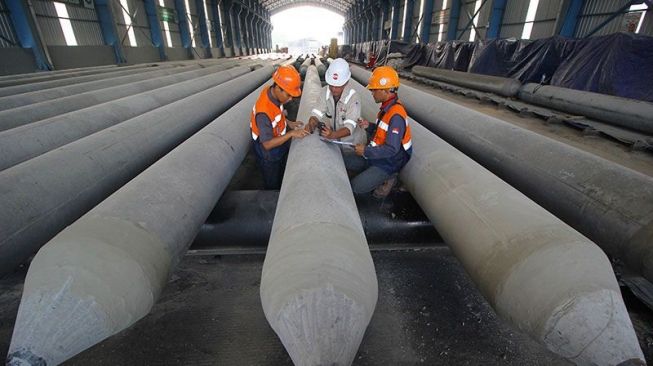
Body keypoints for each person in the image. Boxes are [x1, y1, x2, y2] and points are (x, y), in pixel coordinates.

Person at [345, 65, 412, 198]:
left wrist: (365, 151)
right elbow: (381, 130)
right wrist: (368, 126)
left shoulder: (396, 115)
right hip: (375, 155)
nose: (372, 93)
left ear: (386, 91)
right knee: (345, 160)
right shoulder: (386, 109)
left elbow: (391, 149)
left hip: (388, 163)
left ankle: (390, 177)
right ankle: (369, 171)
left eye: (375, 90)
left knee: (356, 187)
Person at [251, 65, 310, 189]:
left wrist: (289, 123)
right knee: (272, 180)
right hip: (269, 153)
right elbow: (267, 144)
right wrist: (291, 134)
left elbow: (277, 114)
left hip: (278, 141)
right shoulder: (263, 112)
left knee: (281, 169)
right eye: (288, 95)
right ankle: (274, 195)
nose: (290, 99)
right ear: (278, 88)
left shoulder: (271, 92)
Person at [308, 58, 366, 145]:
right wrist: (313, 120)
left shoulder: (353, 98)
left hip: (351, 145)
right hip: (334, 142)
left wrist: (333, 134)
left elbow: (349, 127)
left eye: (338, 86)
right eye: (331, 85)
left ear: (346, 82)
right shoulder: (325, 92)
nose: (333, 89)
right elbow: (317, 112)